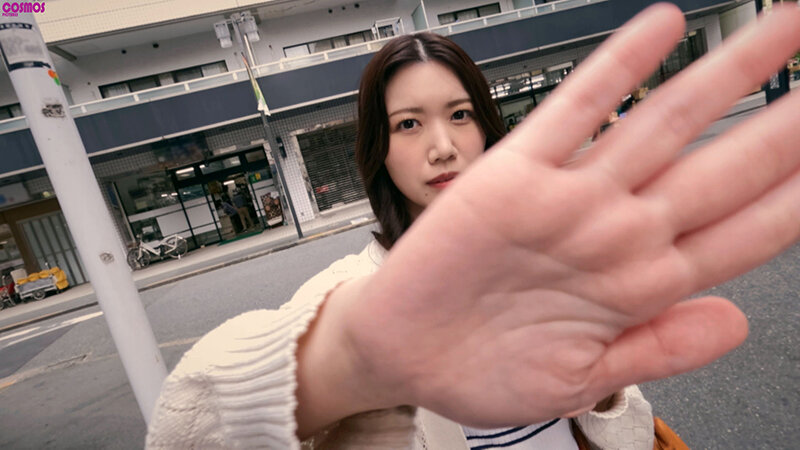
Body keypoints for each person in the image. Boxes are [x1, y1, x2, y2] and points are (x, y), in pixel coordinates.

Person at [146, 4, 800, 449]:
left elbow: (622, 430)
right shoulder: (349, 299)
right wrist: (351, 360)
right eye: (409, 124)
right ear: (379, 150)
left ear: (486, 127)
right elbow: (185, 430)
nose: (442, 147)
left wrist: (598, 394)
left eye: (460, 115)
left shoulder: (551, 259)